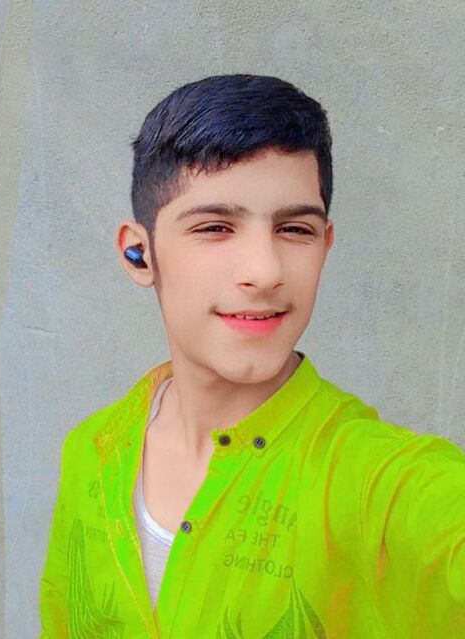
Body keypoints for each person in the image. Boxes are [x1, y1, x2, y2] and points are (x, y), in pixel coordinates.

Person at [38, 74, 465, 638]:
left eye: (295, 229)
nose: (265, 271)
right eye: (215, 227)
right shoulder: (90, 450)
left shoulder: (382, 481)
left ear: (325, 245)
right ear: (139, 253)